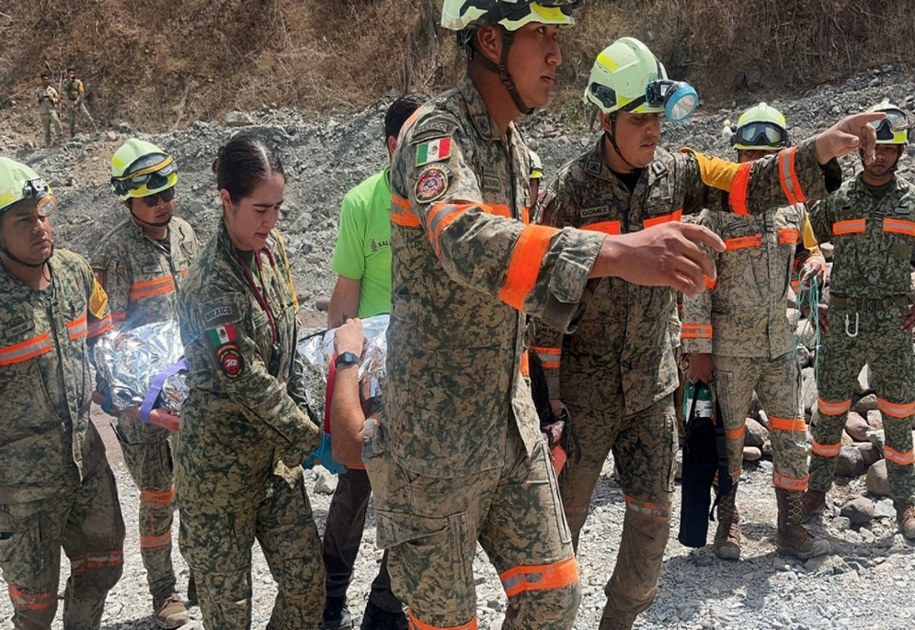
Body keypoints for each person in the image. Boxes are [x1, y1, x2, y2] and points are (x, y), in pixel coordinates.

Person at [531, 36, 881, 629]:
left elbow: (751, 185)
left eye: (656, 117)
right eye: (638, 118)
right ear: (604, 117)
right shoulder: (569, 190)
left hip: (649, 388)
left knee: (650, 532)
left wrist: (820, 147)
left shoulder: (680, 172)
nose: (652, 131)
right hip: (584, 396)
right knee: (557, 535)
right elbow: (539, 297)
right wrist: (549, 394)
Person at [176, 132, 325, 629]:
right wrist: (313, 438)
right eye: (261, 209)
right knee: (229, 612)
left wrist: (308, 411)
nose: (271, 221)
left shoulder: (272, 248)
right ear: (226, 200)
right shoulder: (210, 281)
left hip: (274, 462)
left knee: (307, 589)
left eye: (278, 207)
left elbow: (288, 342)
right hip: (219, 475)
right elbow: (246, 379)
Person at [680, 103, 830, 561]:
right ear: (737, 157)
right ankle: (728, 522)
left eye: (765, 158)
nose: (756, 166)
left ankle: (790, 526)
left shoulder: (793, 208)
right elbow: (697, 284)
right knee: (729, 438)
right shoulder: (716, 213)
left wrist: (816, 264)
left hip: (778, 344)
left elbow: (805, 254)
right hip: (729, 350)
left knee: (791, 432)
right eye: (749, 157)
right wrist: (698, 350)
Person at [0, 156, 123, 628]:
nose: (40, 228)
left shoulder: (74, 272)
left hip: (84, 463)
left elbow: (103, 338)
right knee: (34, 606)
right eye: (23, 220)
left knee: (105, 566)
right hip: (21, 489)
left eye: (43, 214)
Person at [91, 138, 199, 628]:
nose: (163, 205)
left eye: (168, 194)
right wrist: (129, 402)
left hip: (190, 394)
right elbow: (105, 338)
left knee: (198, 489)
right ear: (127, 198)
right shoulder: (113, 253)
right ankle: (164, 590)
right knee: (158, 497)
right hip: (144, 405)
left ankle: (203, 573)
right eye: (151, 198)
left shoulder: (184, 234)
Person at [322, 96, 421, 630]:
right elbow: (344, 300)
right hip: (375, 379)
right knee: (358, 484)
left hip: (430, 372)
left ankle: (386, 601)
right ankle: (330, 594)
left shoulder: (446, 199)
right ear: (390, 147)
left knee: (419, 491)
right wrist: (335, 377)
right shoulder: (361, 203)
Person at [803, 101, 915, 539]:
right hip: (843, 324)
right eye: (873, 146)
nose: (880, 155)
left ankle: (906, 503)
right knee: (829, 412)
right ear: (860, 147)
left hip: (893, 326)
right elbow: (803, 240)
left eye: (890, 148)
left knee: (900, 416)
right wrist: (814, 297)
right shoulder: (841, 200)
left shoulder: (909, 203)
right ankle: (814, 496)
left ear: (901, 152)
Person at [64, 67, 97, 137]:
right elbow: (66, 88)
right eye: (70, 73)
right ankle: (73, 136)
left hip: (78, 102)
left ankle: (95, 130)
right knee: (72, 120)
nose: (72, 75)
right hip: (70, 102)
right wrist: (70, 81)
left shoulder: (78, 82)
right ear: (67, 74)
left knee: (87, 116)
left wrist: (77, 102)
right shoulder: (65, 82)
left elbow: (81, 93)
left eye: (73, 73)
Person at [35, 73, 63, 148]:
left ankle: (60, 140)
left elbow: (58, 99)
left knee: (57, 123)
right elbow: (35, 101)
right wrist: (40, 99)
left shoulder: (52, 90)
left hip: (51, 111)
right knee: (46, 130)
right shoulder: (38, 90)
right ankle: (48, 144)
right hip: (43, 112)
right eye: (44, 79)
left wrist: (52, 99)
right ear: (41, 80)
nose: (46, 81)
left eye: (47, 79)